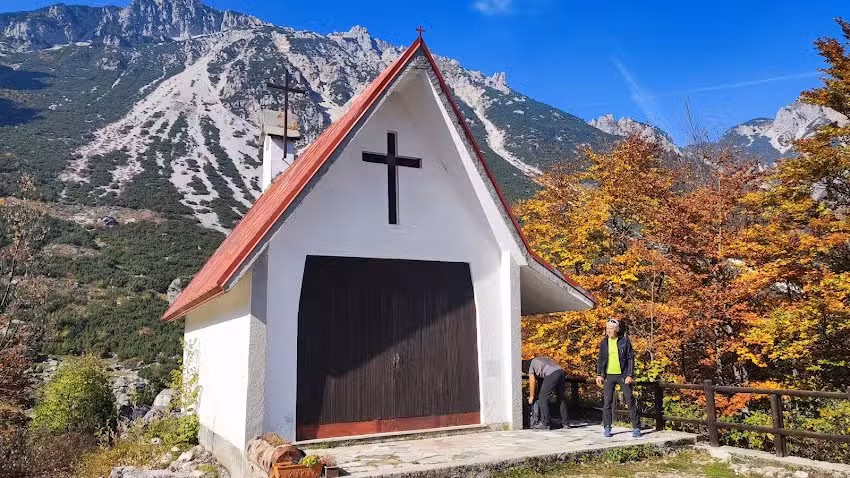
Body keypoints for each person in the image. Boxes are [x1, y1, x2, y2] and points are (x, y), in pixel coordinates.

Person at [595, 319, 641, 438]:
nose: (608, 331)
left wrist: (629, 375)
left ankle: (636, 427)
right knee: (607, 402)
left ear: (616, 330)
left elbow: (630, 358)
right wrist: (599, 374)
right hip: (609, 375)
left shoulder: (624, 341)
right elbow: (601, 359)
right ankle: (607, 427)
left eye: (611, 328)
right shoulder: (604, 342)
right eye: (607, 328)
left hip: (623, 375)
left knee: (630, 400)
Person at [522, 356, 569, 430]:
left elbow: (532, 381)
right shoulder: (541, 359)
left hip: (552, 374)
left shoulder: (531, 365)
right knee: (561, 398)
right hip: (561, 372)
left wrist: (531, 396)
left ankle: (545, 423)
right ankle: (565, 423)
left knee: (542, 398)